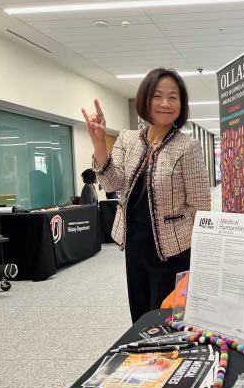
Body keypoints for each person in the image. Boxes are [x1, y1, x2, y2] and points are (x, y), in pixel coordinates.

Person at [82, 67, 211, 323]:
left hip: (175, 246)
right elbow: (112, 182)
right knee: (141, 313)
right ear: (145, 99)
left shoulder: (188, 146)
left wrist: (200, 252)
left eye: (173, 97)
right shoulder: (127, 139)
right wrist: (99, 143)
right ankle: (145, 361)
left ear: (181, 104)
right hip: (135, 243)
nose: (165, 103)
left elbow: (200, 206)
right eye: (158, 96)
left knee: (168, 314)